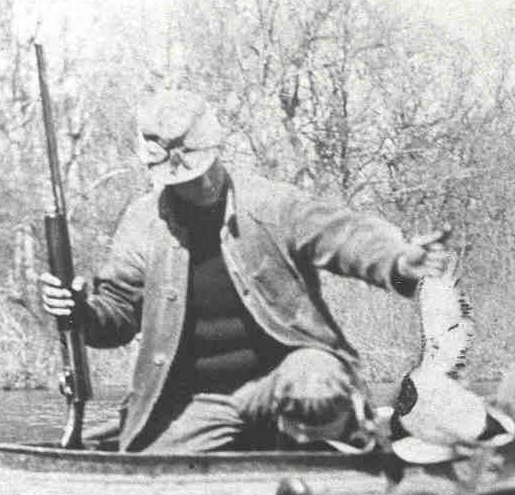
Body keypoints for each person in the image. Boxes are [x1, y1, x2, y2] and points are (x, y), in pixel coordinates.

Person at [39, 90, 454, 453]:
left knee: (317, 383)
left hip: (289, 377)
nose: (195, 186)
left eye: (200, 171)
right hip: (199, 400)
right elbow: (116, 313)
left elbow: (346, 236)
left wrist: (400, 261)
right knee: (155, 469)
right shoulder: (142, 223)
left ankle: (326, 455)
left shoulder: (272, 204)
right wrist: (81, 313)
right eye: (180, 179)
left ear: (215, 151)